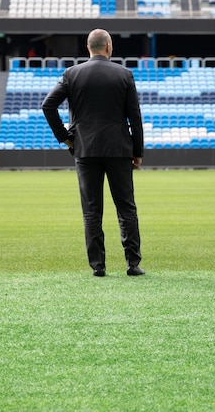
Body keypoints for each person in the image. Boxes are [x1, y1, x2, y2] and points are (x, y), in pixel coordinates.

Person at [41, 28, 145, 277]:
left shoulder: (71, 74)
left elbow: (48, 105)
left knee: (91, 210)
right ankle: (133, 264)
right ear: (109, 46)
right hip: (119, 149)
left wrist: (65, 138)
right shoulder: (125, 74)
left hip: (85, 150)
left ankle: (98, 266)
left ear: (89, 48)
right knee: (126, 208)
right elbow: (135, 117)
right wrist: (137, 151)